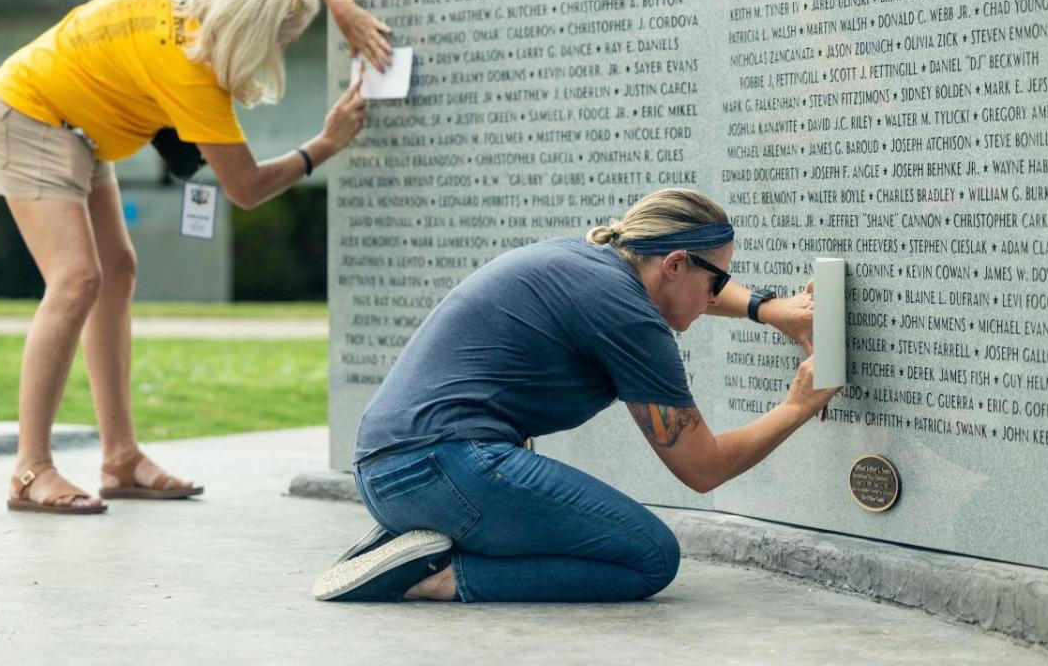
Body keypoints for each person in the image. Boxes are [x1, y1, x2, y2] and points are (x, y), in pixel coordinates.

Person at [0, 0, 391, 514]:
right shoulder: (190, 68)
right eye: (284, 42)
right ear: (253, 36)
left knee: (117, 271)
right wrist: (325, 144)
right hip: (29, 116)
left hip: (80, 125)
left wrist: (340, 5)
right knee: (76, 279)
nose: (286, 51)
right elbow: (244, 189)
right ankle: (30, 470)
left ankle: (120, 459)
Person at [312, 188, 841, 602]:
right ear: (675, 263)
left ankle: (409, 544)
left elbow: (696, 286)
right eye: (718, 279)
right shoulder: (631, 317)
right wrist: (798, 406)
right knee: (649, 558)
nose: (717, 294)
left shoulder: (594, 264)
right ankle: (432, 577)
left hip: (392, 472)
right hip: (445, 468)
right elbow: (703, 469)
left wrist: (768, 310)